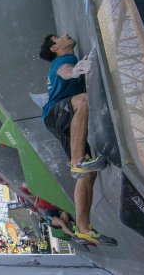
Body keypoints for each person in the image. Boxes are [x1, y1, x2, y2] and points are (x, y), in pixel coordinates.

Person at [39, 34, 117, 246]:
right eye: (58, 37)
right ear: (55, 48)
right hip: (55, 113)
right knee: (83, 100)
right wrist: (73, 71)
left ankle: (83, 229)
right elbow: (64, 72)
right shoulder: (63, 59)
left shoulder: (65, 58)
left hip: (61, 120)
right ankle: (77, 161)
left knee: (88, 175)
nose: (65, 35)